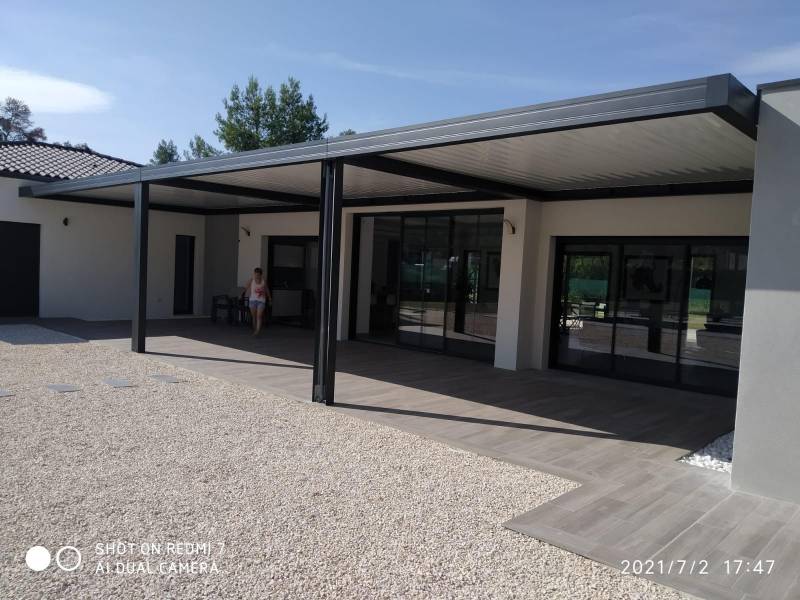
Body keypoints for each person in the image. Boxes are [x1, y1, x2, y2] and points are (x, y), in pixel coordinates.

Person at [242, 267, 272, 336]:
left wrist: (270, 298)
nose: (256, 276)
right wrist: (241, 294)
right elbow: (245, 288)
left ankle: (257, 331)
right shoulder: (251, 280)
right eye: (255, 274)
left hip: (261, 301)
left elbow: (267, 290)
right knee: (254, 316)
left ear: (261, 275)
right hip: (252, 300)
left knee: (259, 316)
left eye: (258, 275)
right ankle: (255, 329)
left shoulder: (263, 281)